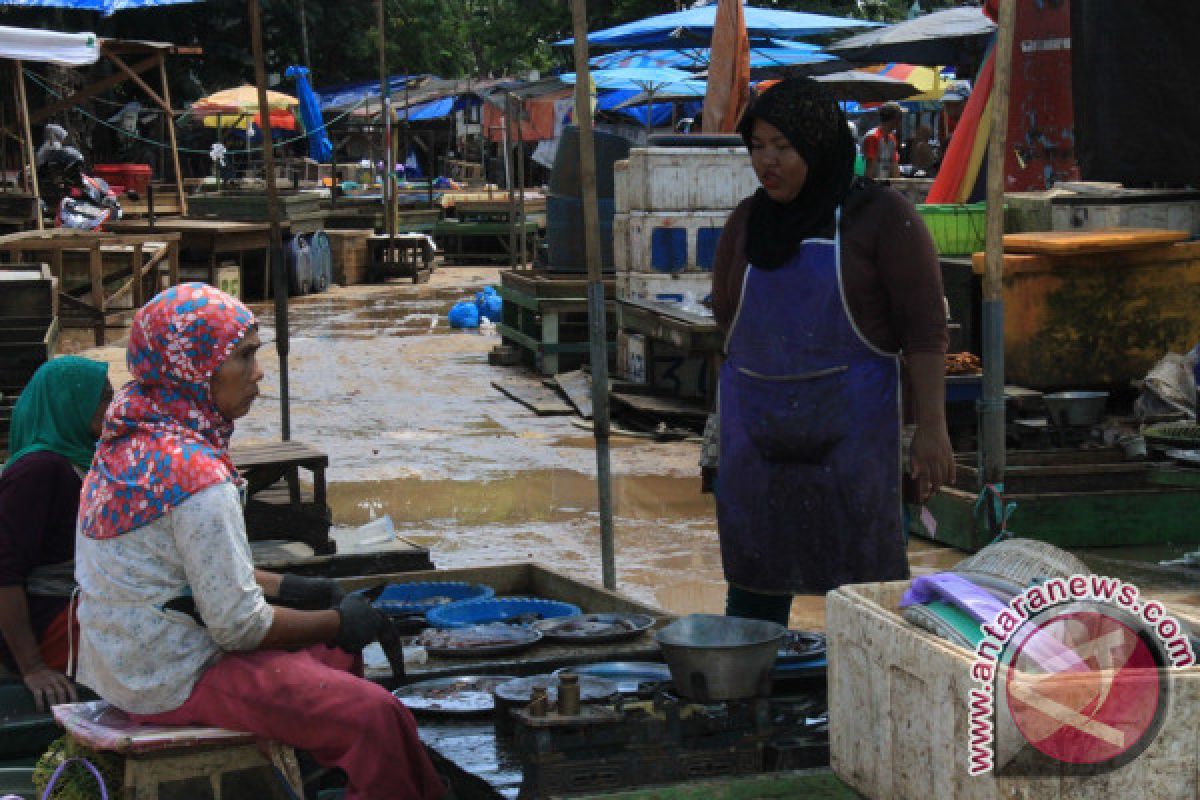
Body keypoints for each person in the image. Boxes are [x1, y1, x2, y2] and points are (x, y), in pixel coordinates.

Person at [74, 284, 445, 800]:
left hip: (125, 659)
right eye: (243, 356)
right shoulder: (194, 477)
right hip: (173, 673)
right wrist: (341, 620)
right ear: (197, 367)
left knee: (336, 660)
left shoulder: (127, 441)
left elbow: (188, 572)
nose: (258, 374)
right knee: (376, 716)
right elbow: (238, 627)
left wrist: (301, 591)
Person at [710, 78, 955, 626]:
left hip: (854, 445)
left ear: (818, 145)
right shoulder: (747, 224)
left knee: (867, 605)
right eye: (756, 146)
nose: (766, 161)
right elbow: (726, 328)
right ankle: (753, 700)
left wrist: (932, 429)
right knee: (753, 595)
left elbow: (925, 332)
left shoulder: (883, 218)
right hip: (758, 443)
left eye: (783, 147)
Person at [0, 357, 112, 710]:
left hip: (77, 606)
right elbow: (4, 571)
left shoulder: (81, 459)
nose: (113, 407)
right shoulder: (39, 470)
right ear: (70, 403)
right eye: (103, 398)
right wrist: (32, 666)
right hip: (48, 619)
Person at [863, 101, 903, 180]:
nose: (901, 121)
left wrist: (898, 185)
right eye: (900, 118)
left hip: (885, 185)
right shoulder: (873, 137)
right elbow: (869, 170)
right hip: (873, 186)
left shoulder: (892, 138)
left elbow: (894, 165)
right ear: (895, 119)